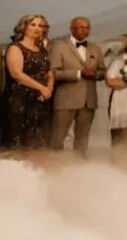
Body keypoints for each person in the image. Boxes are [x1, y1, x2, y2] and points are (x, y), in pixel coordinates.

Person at [48, 16, 107, 155]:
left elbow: (103, 71)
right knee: (58, 136)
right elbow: (53, 73)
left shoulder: (95, 48)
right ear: (72, 29)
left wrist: (95, 74)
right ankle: (53, 164)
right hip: (65, 100)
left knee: (83, 138)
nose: (84, 30)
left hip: (88, 100)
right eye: (81, 27)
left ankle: (79, 163)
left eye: (87, 28)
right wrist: (79, 73)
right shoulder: (59, 46)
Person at [1, 15, 54, 150]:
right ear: (24, 27)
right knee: (18, 139)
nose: (37, 28)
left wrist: (48, 89)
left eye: (40, 26)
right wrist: (41, 88)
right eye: (33, 25)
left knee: (39, 140)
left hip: (40, 101)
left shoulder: (42, 50)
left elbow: (49, 73)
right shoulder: (15, 48)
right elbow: (16, 74)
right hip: (19, 100)